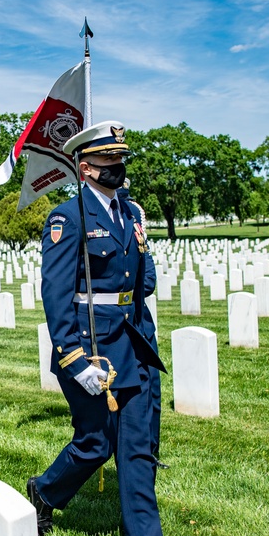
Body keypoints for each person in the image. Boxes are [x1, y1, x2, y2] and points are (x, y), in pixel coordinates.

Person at [27, 121, 196, 536]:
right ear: (85, 168)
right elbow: (56, 293)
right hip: (91, 342)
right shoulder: (68, 216)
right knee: (96, 443)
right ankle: (45, 490)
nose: (117, 167)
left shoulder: (132, 212)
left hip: (133, 339)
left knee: (138, 443)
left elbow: (146, 278)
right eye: (107, 161)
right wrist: (72, 356)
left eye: (120, 159)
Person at [118, 181, 167, 469]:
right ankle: (140, 453)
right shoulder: (131, 212)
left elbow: (148, 281)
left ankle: (149, 453)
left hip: (140, 320)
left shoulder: (133, 212)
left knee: (151, 393)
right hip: (121, 322)